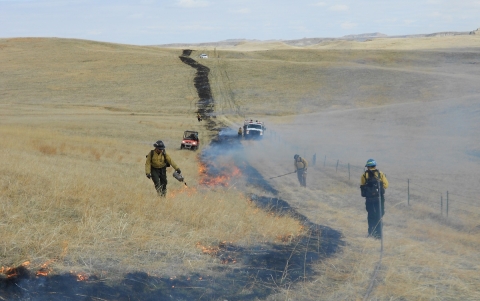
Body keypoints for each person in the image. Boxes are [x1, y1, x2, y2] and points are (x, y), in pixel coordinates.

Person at [360, 158, 389, 239]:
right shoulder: (381, 174)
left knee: (370, 215)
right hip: (379, 198)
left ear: (367, 167)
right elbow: (386, 185)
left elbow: (362, 186)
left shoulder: (364, 175)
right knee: (379, 215)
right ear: (375, 166)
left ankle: (371, 233)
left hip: (369, 199)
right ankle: (379, 235)